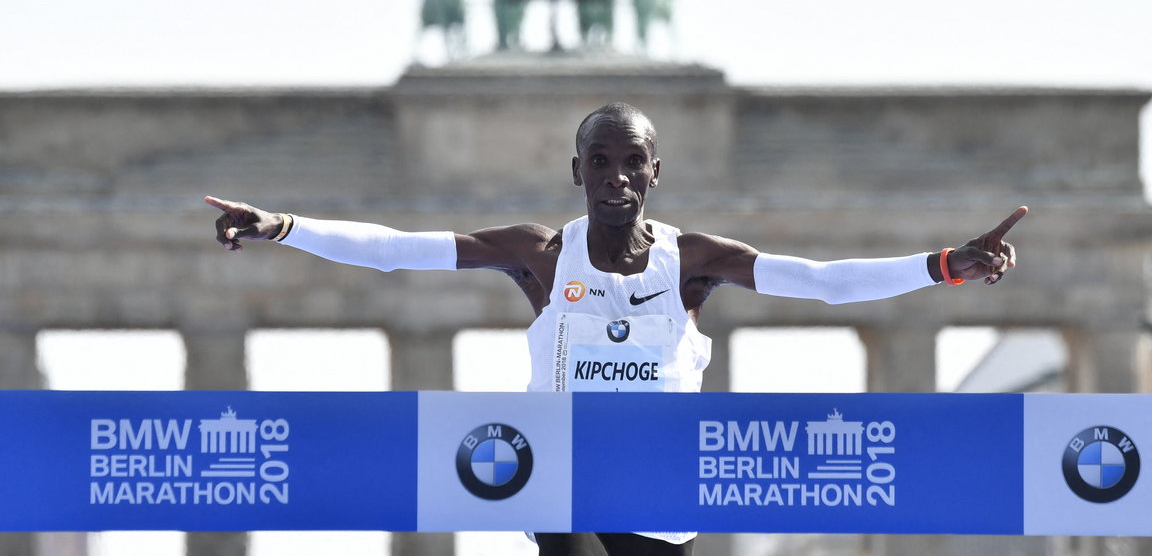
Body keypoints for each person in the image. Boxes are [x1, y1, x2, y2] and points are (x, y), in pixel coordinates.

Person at [206, 102, 1025, 556]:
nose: (616, 176)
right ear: (578, 172)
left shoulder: (695, 262)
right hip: (557, 474)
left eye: (632, 160)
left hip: (661, 488)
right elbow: (395, 252)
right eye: (600, 160)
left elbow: (820, 281)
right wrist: (284, 224)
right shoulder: (540, 254)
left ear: (654, 172)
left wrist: (946, 264)